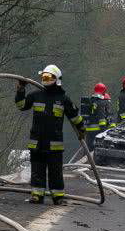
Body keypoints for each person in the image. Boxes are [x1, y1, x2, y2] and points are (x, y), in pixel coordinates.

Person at [15, 65, 85, 204]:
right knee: (37, 170)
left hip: (54, 144)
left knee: (55, 172)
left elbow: (74, 116)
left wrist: (81, 129)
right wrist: (21, 89)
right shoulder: (36, 95)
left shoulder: (63, 99)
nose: (45, 80)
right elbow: (21, 105)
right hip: (37, 142)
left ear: (57, 80)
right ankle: (37, 195)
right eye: (44, 77)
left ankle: (58, 197)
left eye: (49, 77)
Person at [84, 82, 110, 150]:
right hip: (97, 130)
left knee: (89, 148)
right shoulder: (101, 102)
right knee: (97, 148)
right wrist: (104, 132)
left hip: (88, 129)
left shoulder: (91, 100)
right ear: (103, 91)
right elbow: (101, 120)